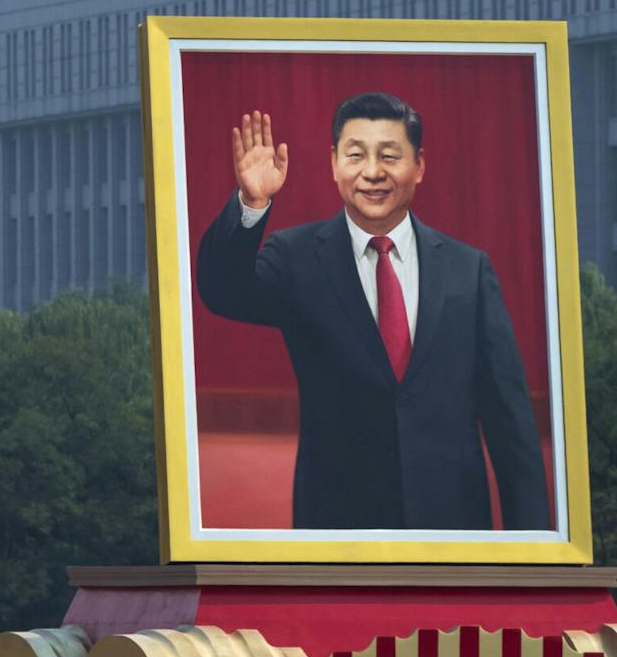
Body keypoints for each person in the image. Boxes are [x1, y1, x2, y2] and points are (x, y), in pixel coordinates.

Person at [194, 95, 550, 532]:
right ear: (333, 163)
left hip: (453, 531)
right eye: (356, 155)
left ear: (418, 166)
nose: (372, 172)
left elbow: (511, 424)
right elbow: (222, 292)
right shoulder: (297, 257)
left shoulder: (468, 271)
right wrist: (251, 203)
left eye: (389, 156)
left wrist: (534, 550)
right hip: (338, 531)